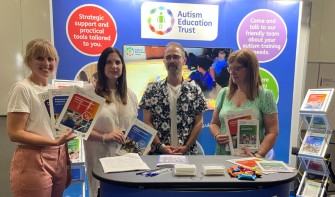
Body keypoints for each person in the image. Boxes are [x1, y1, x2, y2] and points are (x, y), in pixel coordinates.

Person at [7, 38, 76, 197]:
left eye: (51, 59)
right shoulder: (22, 89)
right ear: (28, 61)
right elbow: (14, 133)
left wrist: (67, 165)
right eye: (40, 58)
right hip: (33, 159)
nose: (46, 63)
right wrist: (53, 142)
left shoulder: (55, 91)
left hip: (59, 158)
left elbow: (61, 131)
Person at [82, 47, 138, 197]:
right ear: (101, 66)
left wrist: (142, 145)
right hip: (101, 163)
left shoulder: (130, 94)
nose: (114, 66)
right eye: (109, 62)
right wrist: (104, 136)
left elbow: (132, 129)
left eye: (118, 62)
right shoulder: (89, 91)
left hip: (126, 165)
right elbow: (77, 126)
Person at [139, 42, 208, 155]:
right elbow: (147, 121)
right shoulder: (152, 89)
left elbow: (199, 122)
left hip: (187, 154)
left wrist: (186, 146)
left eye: (176, 57)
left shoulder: (195, 90)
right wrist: (160, 146)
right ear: (164, 61)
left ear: (184, 61)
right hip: (158, 154)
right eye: (168, 57)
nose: (172, 60)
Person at [210, 49, 278, 157]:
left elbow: (272, 132)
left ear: (251, 69)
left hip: (251, 161)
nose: (232, 72)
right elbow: (214, 124)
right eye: (230, 68)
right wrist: (217, 136)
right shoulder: (224, 93)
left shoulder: (265, 95)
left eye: (237, 68)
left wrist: (258, 156)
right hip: (223, 157)